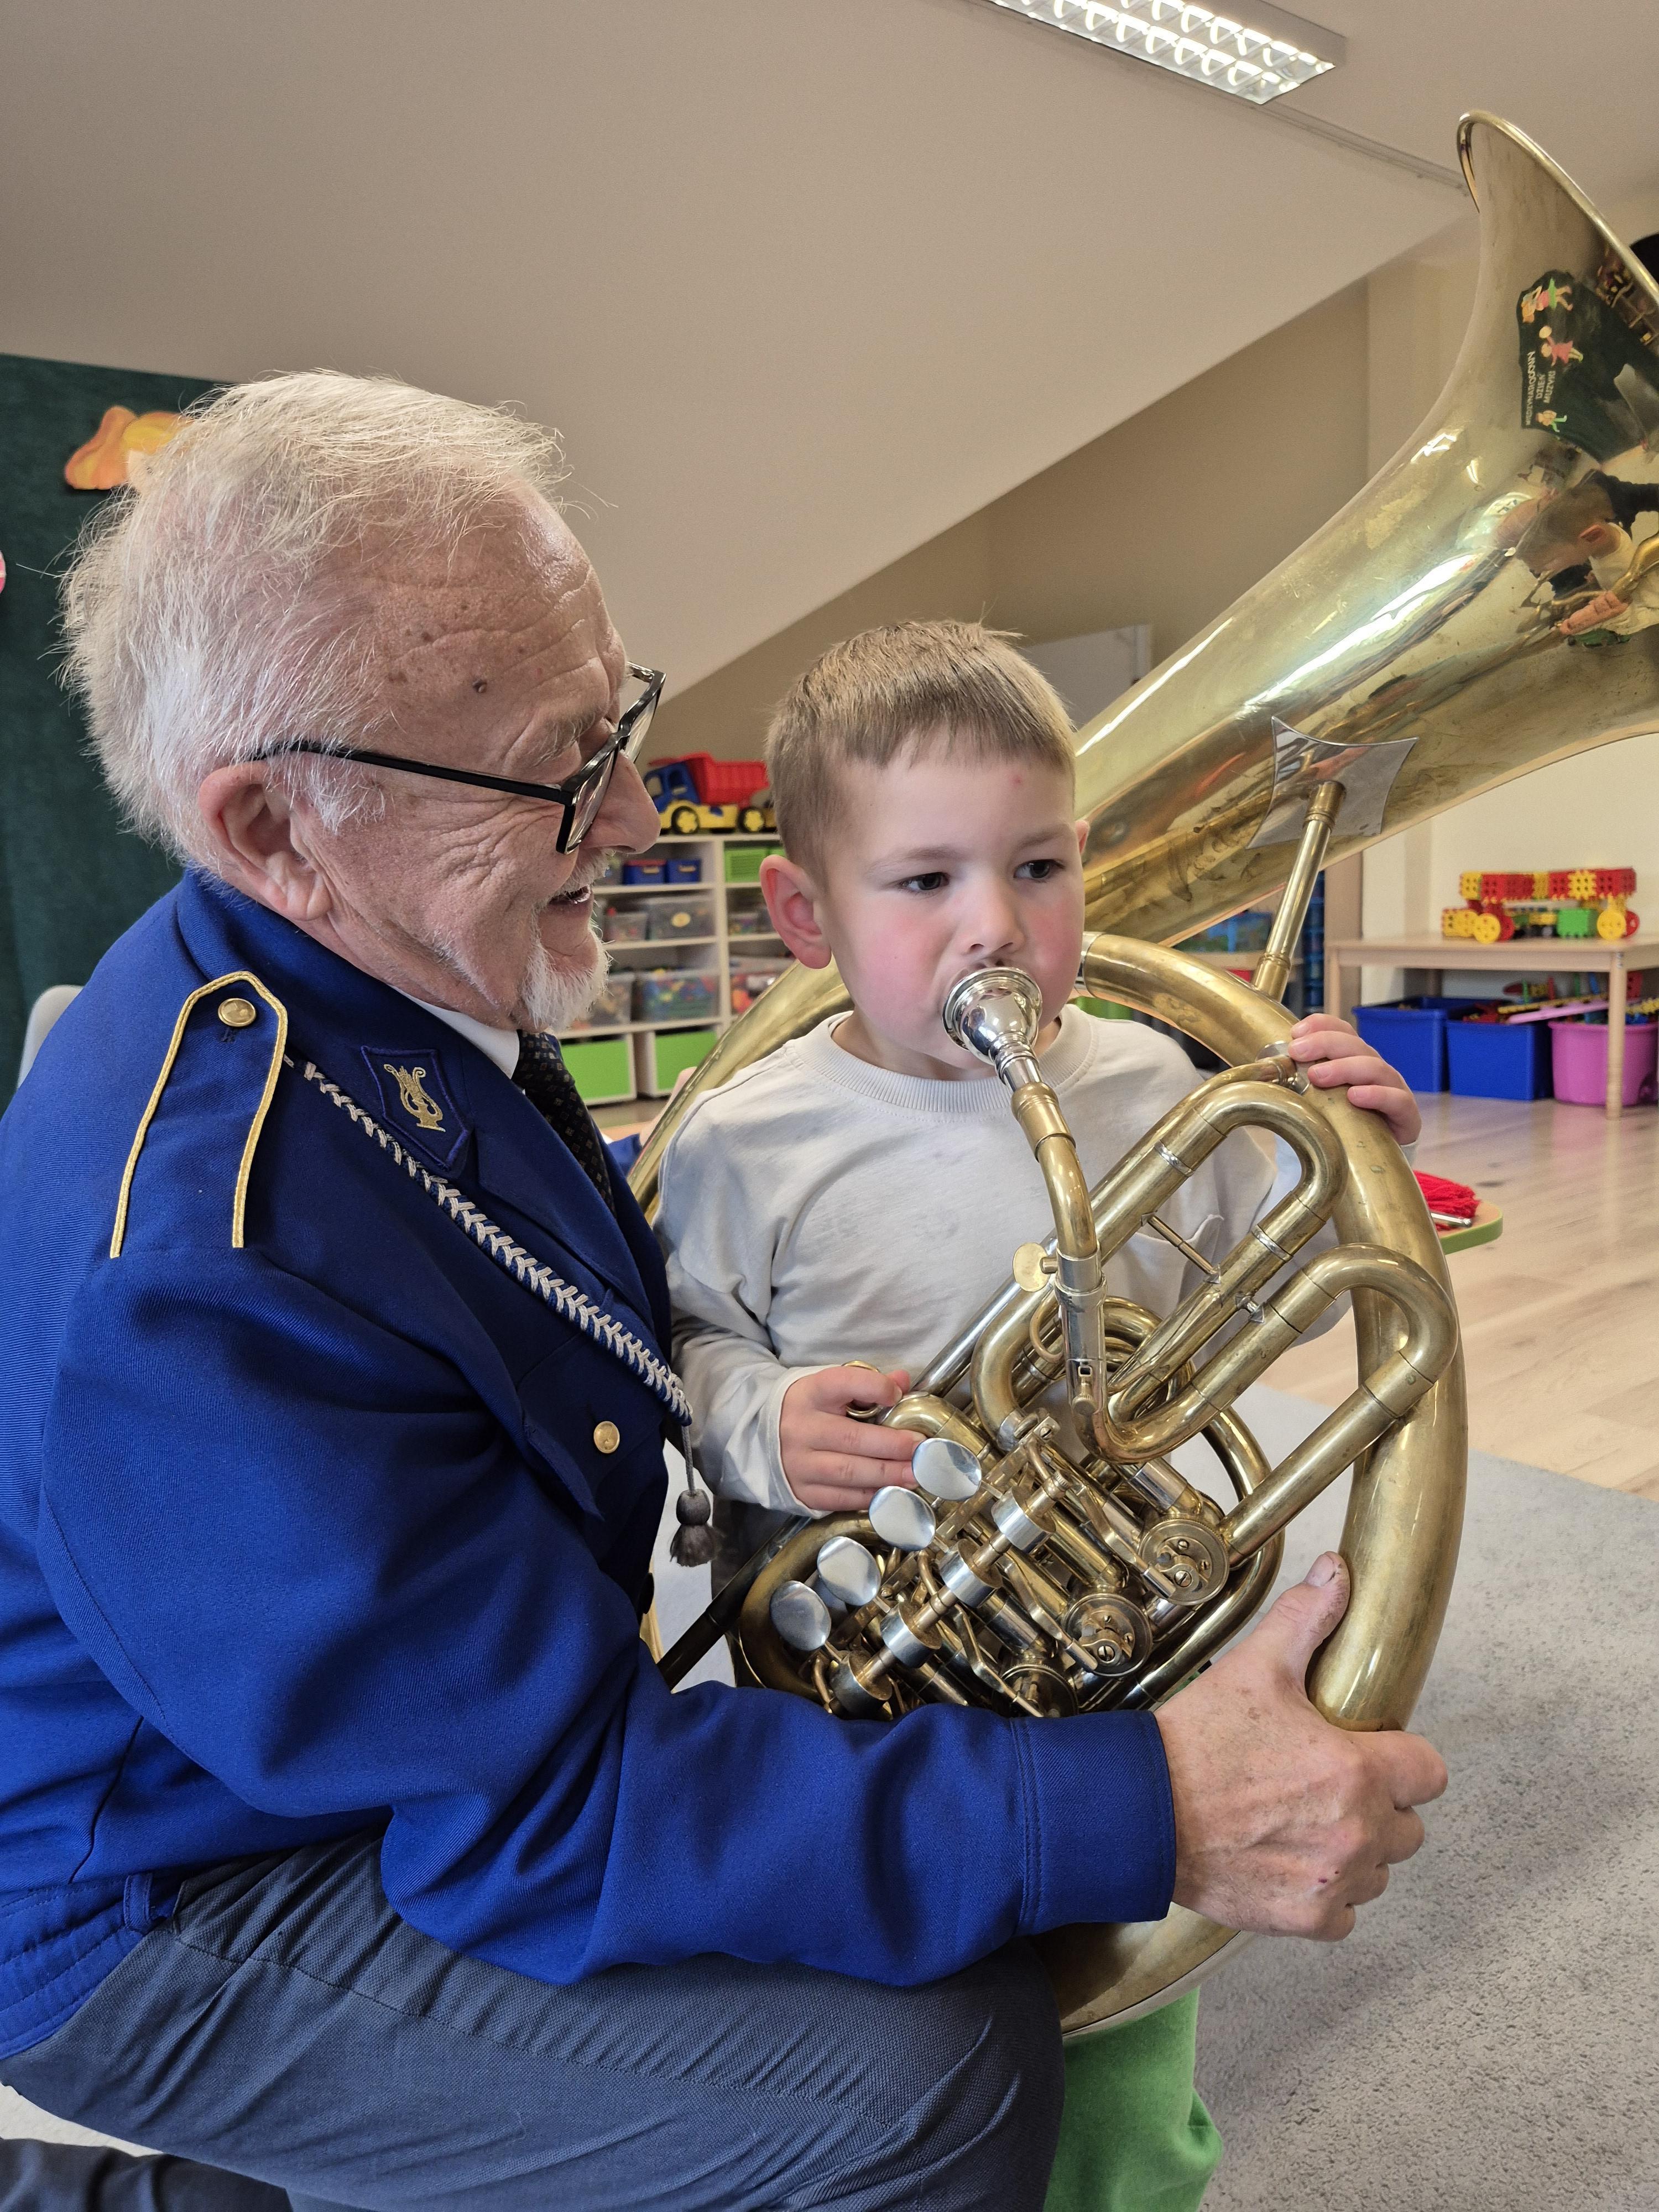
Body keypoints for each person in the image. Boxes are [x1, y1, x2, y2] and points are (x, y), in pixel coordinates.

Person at [0, 377, 1446, 2212]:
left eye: (615, 719)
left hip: (399, 1737)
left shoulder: (381, 968)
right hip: (176, 1889)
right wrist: (1141, 1802)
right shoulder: (201, 1270)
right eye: (556, 766)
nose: (627, 814)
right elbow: (535, 1817)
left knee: (901, 1935)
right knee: (924, 2080)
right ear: (276, 826)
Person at [655, 620, 1426, 2212]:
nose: (996, 926)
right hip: (854, 1688)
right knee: (877, 2018)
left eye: (1041, 868)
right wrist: (763, 1415)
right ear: (804, 915)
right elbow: (677, 1345)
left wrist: (1360, 1159)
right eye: (923, 881)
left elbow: (1263, 1300)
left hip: (1104, 1660)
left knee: (1120, 2040)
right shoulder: (748, 1135)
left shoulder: (1155, 1079)